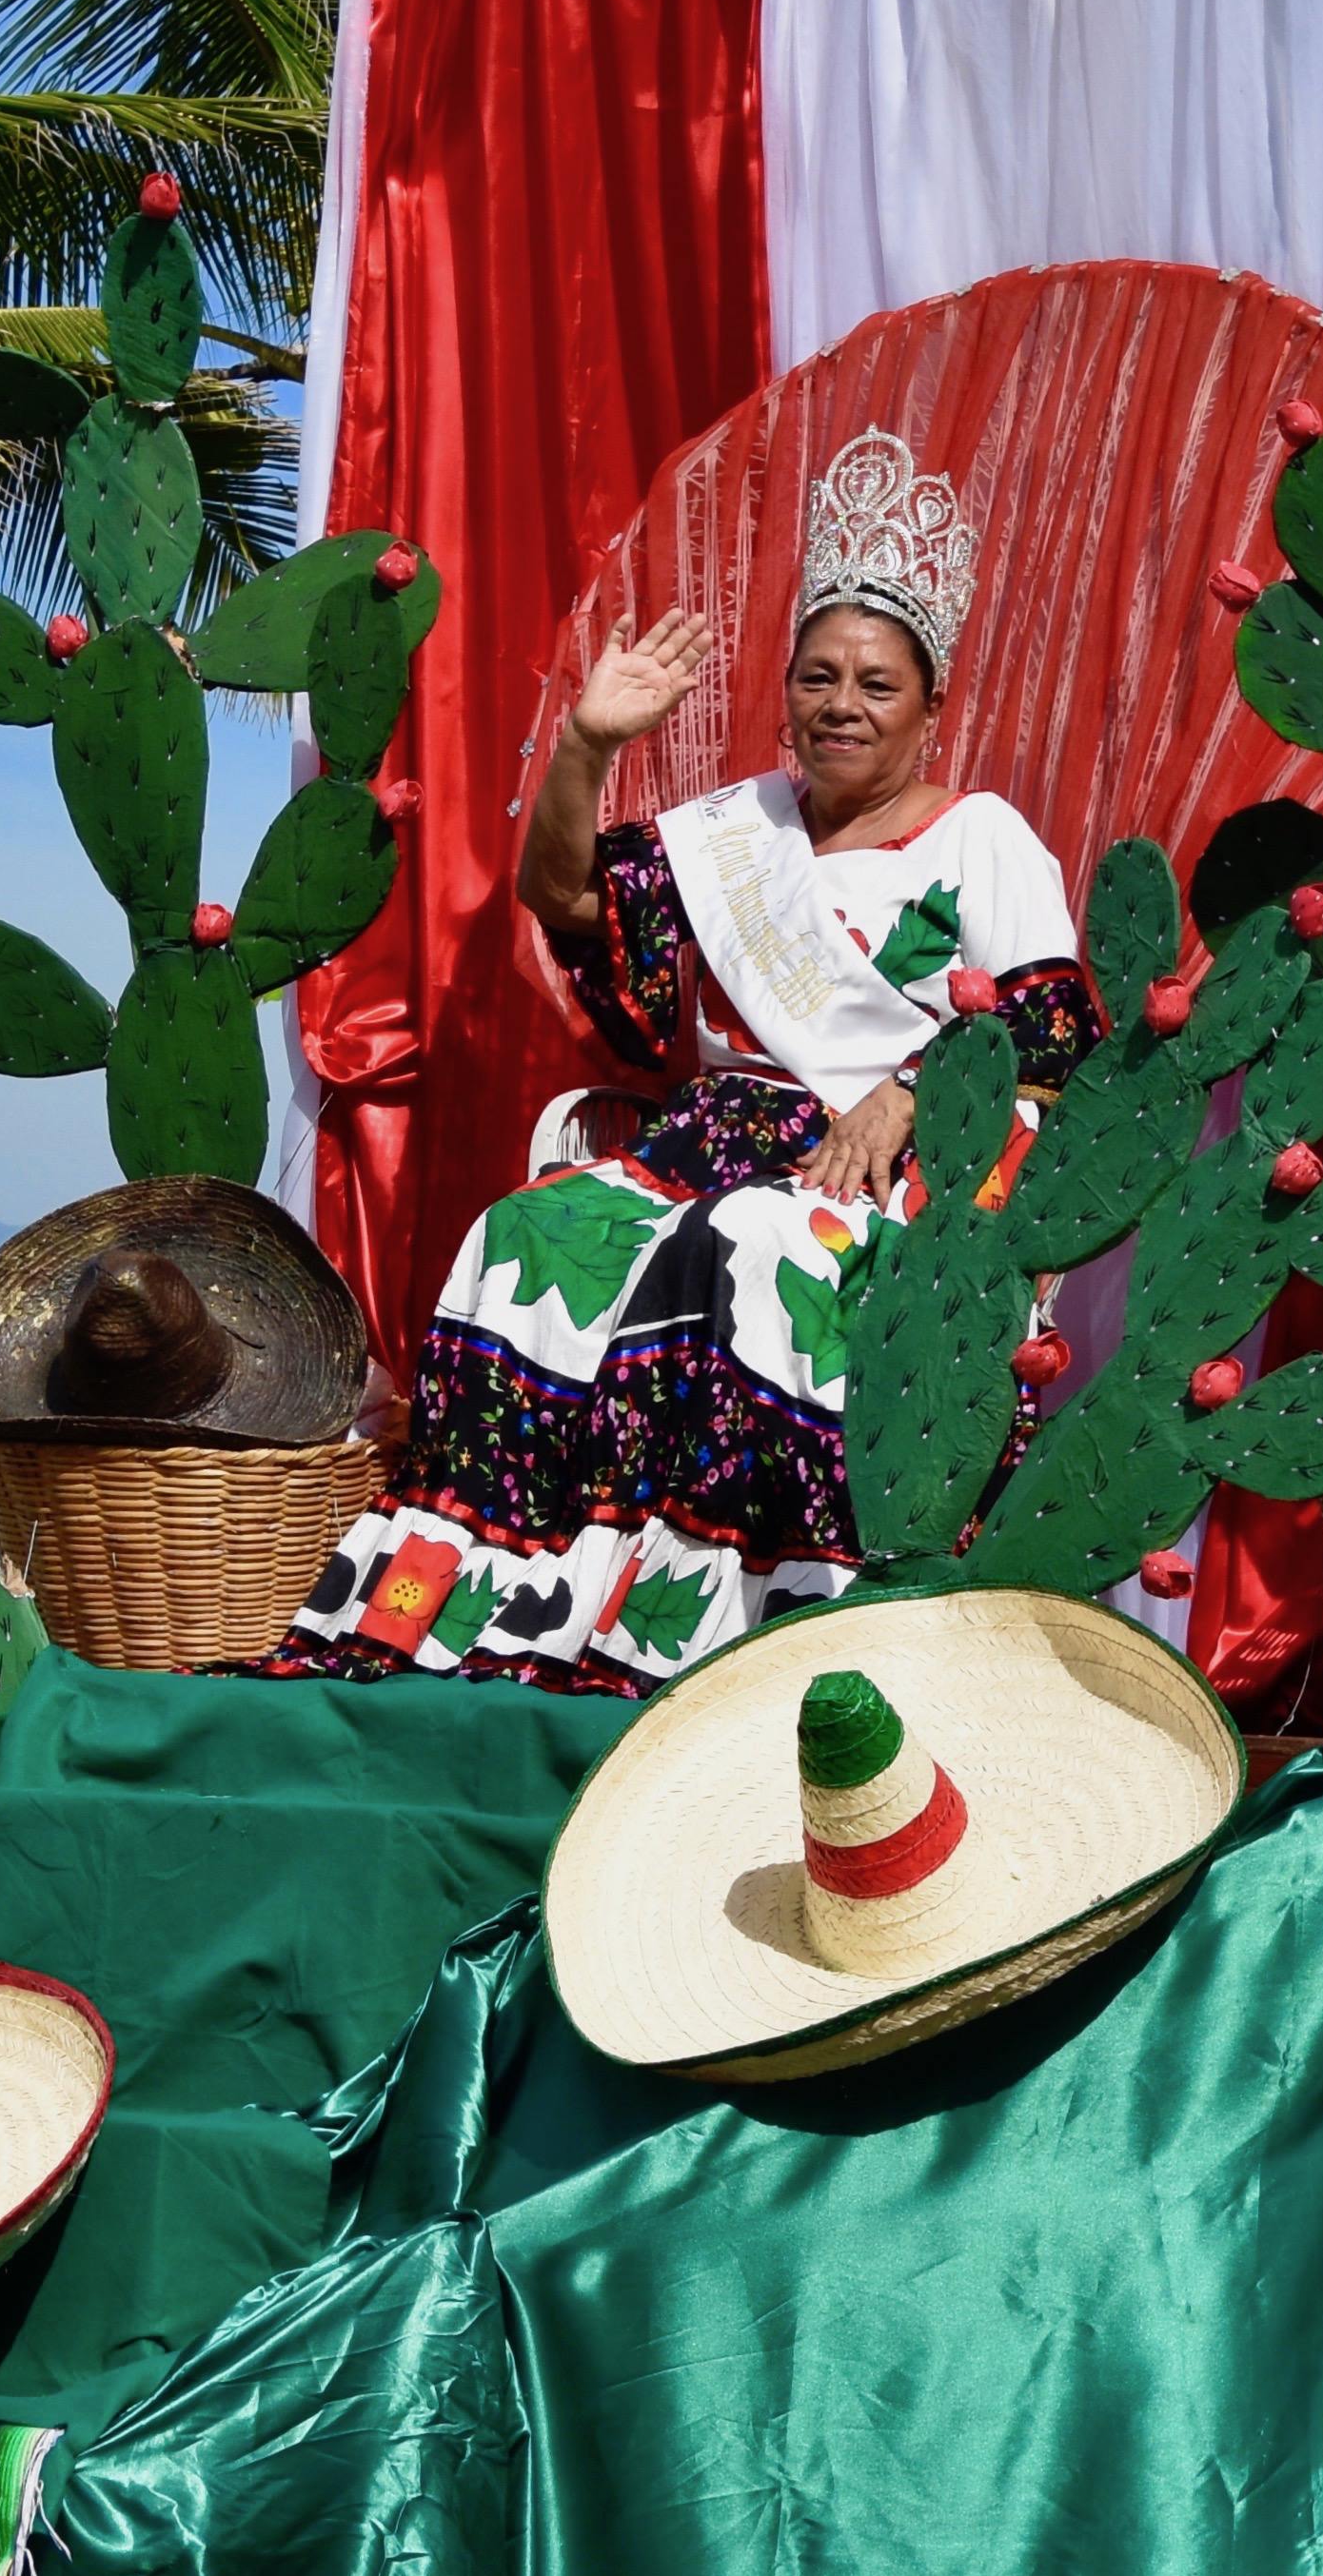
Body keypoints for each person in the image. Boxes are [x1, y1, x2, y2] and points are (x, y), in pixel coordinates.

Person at [268, 429, 1101, 1697]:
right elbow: (565, 899)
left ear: (933, 709)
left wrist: (912, 1090)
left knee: (749, 1247)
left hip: (895, 1173)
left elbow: (1053, 1026)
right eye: (818, 677)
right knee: (523, 1237)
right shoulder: (734, 831)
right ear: (783, 695)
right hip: (705, 1143)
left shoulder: (981, 837)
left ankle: (695, 1626)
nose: (841, 705)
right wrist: (587, 747)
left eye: (876, 684)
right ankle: (506, 1611)